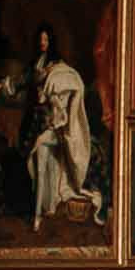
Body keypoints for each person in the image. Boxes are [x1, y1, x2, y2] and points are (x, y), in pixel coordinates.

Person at [28, 26, 102, 232]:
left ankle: (43, 212)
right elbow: (32, 86)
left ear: (51, 41)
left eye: (46, 39)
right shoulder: (37, 64)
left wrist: (56, 107)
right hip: (39, 119)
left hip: (55, 124)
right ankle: (40, 211)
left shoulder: (58, 68)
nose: (43, 43)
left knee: (51, 157)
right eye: (40, 39)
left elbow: (67, 92)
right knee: (39, 163)